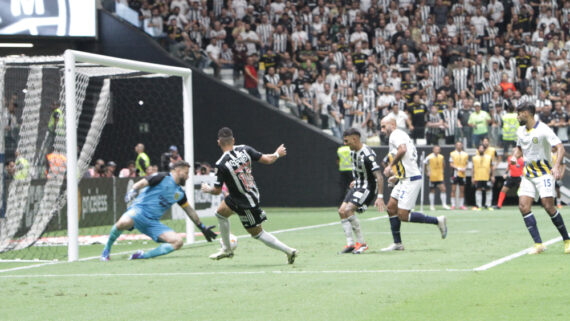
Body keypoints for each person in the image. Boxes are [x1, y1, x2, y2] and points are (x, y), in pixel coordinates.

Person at [200, 127, 298, 264]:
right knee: (221, 213)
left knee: (258, 233)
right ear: (233, 140)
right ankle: (227, 249)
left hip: (244, 202)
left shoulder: (221, 164)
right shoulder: (245, 149)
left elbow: (216, 191)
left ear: (218, 142)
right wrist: (277, 154)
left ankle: (289, 251)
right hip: (242, 195)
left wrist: (207, 189)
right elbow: (268, 160)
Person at [100, 161, 217, 261]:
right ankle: (106, 250)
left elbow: (189, 210)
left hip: (153, 223)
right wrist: (133, 190)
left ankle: (141, 256)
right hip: (138, 211)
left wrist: (202, 227)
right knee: (122, 223)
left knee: (178, 242)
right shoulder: (162, 177)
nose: (187, 177)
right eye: (186, 173)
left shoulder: (180, 193)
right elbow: (142, 182)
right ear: (177, 170)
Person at [380, 117, 447, 252]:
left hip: (410, 179)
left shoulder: (395, 134)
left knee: (403, 215)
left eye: (383, 126)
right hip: (405, 178)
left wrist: (389, 167)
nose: (381, 130)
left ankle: (437, 221)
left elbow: (403, 150)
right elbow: (406, 159)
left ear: (392, 124)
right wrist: (396, 176)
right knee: (391, 208)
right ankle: (397, 244)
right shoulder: (400, 135)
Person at [511, 102, 569, 254]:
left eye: (519, 113)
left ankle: (567, 240)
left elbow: (560, 148)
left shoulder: (543, 129)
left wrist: (556, 167)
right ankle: (538, 244)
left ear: (528, 113)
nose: (517, 117)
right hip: (528, 174)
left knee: (548, 206)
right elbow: (519, 148)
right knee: (523, 206)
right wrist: (514, 157)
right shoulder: (520, 131)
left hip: (543, 173)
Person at [337, 128, 385, 254]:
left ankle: (362, 243)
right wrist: (356, 180)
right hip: (358, 184)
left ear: (355, 139)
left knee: (348, 210)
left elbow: (379, 176)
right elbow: (359, 169)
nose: (345, 144)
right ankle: (350, 244)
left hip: (368, 187)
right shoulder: (352, 152)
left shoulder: (368, 154)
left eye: (347, 141)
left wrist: (380, 196)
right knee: (341, 211)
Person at [424, 145, 450, 211]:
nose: (437, 150)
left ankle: (444, 204)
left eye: (438, 149)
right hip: (432, 176)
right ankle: (432, 206)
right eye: (436, 149)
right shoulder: (429, 157)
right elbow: (424, 164)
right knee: (432, 190)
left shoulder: (441, 157)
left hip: (439, 176)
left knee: (443, 189)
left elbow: (444, 165)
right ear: (433, 150)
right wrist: (427, 172)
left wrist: (441, 171)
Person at [471, 144, 494, 211]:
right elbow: (472, 168)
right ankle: (479, 205)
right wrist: (472, 177)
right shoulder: (474, 158)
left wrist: (492, 176)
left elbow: (492, 167)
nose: (481, 149)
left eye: (482, 148)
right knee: (478, 190)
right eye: (480, 148)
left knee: (488, 190)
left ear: (484, 150)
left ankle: (488, 205)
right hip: (478, 176)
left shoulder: (489, 157)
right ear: (478, 149)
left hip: (487, 176)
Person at [449, 141, 468, 210]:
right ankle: (453, 205)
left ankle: (461, 205)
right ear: (456, 146)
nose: (459, 146)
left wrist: (464, 168)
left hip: (462, 174)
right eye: (457, 145)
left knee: (462, 190)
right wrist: (458, 168)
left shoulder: (465, 154)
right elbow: (451, 164)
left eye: (460, 145)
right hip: (455, 174)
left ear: (462, 145)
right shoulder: (452, 154)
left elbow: (466, 164)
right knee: (453, 189)